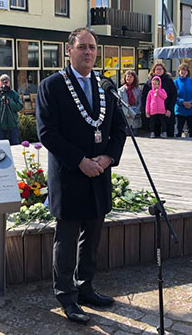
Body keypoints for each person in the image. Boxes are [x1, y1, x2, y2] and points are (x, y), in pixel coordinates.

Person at [36, 28, 126, 324]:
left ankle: (86, 287)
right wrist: (80, 161)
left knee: (93, 235)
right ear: (69, 50)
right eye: (83, 47)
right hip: (70, 174)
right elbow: (47, 133)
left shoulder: (106, 86)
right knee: (67, 239)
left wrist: (107, 157)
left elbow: (118, 129)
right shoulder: (52, 86)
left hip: (99, 173)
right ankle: (66, 296)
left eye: (93, 48)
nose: (88, 52)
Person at [141, 63, 177, 137]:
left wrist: (169, 109)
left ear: (164, 70)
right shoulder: (149, 83)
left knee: (169, 135)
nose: (159, 71)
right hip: (154, 114)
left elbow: (173, 96)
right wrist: (147, 111)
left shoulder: (169, 81)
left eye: (161, 69)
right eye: (157, 69)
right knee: (155, 136)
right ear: (153, 71)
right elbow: (145, 99)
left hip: (166, 112)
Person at [173, 63, 192, 137]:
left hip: (191, 109)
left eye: (185, 70)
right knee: (178, 131)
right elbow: (174, 96)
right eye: (181, 70)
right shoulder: (175, 82)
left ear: (187, 72)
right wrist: (182, 102)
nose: (183, 72)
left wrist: (191, 102)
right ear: (179, 72)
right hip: (180, 110)